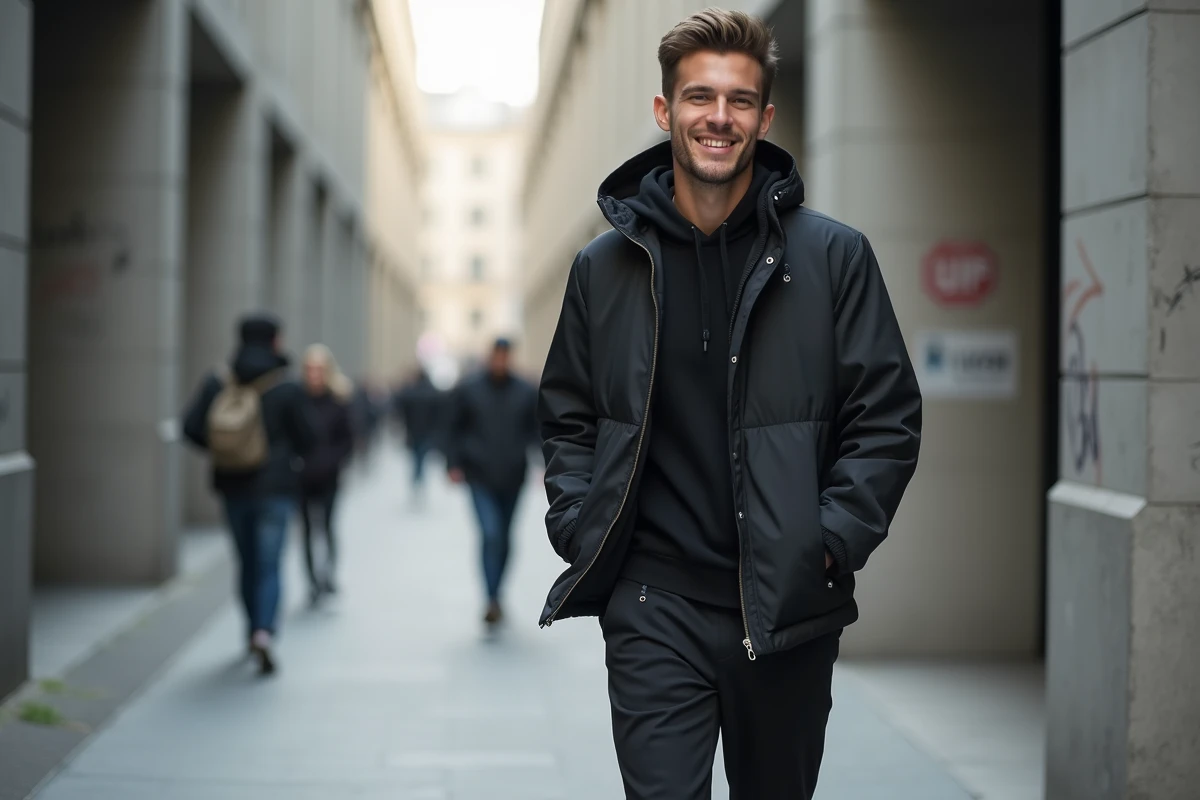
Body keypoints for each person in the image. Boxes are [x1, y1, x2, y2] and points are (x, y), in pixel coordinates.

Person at [535, 9, 923, 798]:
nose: (719, 117)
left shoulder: (833, 257)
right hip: (652, 604)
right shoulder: (604, 269)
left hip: (785, 609)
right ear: (663, 110)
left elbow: (886, 418)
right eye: (699, 97)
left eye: (739, 101)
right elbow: (568, 414)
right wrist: (577, 522)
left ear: (765, 118)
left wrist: (831, 539)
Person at [183, 313, 315, 676]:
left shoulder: (218, 381)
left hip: (233, 486)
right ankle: (264, 632)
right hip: (275, 490)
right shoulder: (286, 386)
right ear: (275, 341)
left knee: (247, 563)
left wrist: (225, 450)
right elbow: (308, 437)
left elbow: (190, 428)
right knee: (269, 565)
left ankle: (249, 631)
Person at [445, 338, 538, 626]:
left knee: (506, 537)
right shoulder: (469, 389)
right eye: (496, 356)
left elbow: (537, 430)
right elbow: (453, 428)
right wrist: (454, 464)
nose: (500, 361)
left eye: (504, 356)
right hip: (480, 475)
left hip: (513, 475)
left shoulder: (525, 391)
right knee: (491, 534)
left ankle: (497, 593)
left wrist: (548, 465)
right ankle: (490, 596)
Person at [299, 344, 355, 605]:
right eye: (310, 369)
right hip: (302, 477)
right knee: (307, 530)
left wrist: (332, 462)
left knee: (329, 526)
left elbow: (348, 440)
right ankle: (312, 581)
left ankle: (328, 575)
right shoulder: (297, 400)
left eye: (319, 369)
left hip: (329, 476)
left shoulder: (338, 400)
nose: (314, 374)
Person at [393, 366, 447, 508]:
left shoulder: (411, 392)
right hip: (427, 434)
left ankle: (416, 484)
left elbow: (401, 409)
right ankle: (419, 484)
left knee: (416, 460)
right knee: (421, 460)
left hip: (413, 433)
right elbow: (439, 415)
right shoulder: (433, 393)